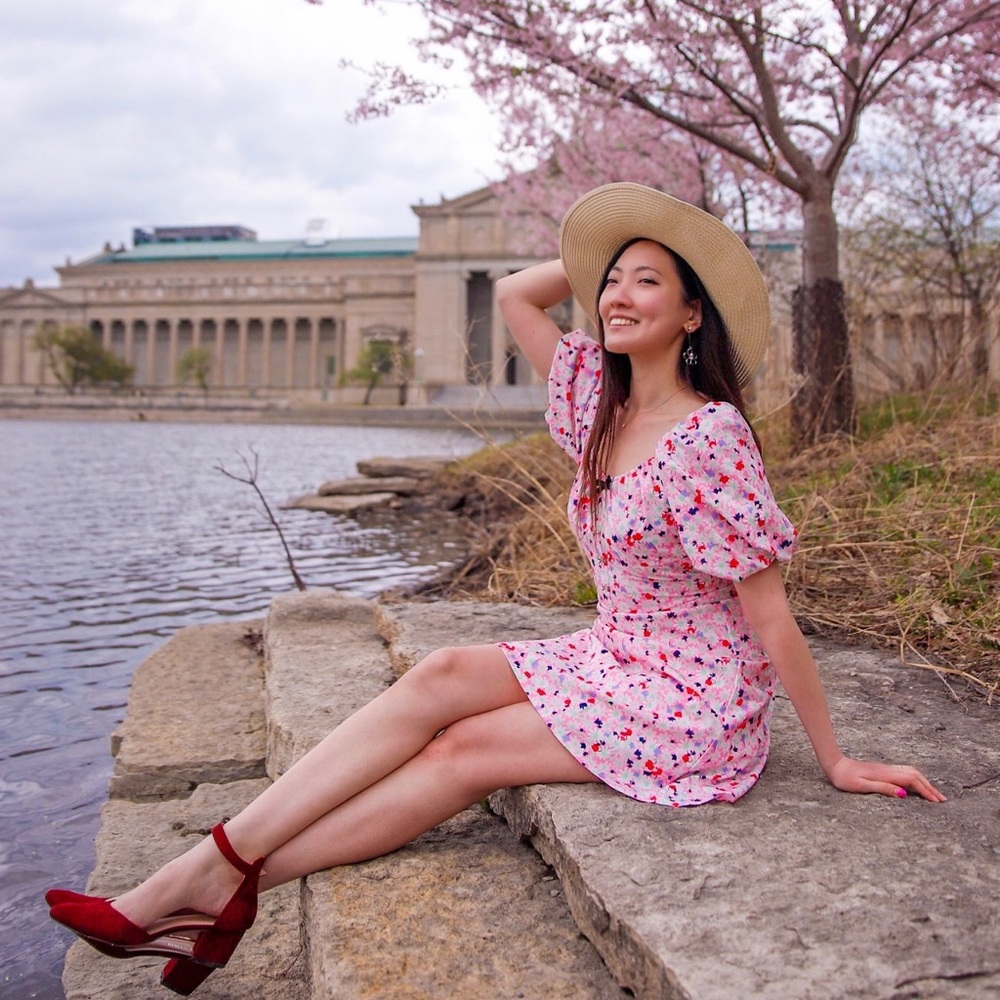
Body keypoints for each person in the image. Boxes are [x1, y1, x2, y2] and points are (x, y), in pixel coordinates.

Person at [47, 182, 945, 995]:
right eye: (610, 282)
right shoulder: (600, 398)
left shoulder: (710, 436)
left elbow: (769, 612)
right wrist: (621, 241)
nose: (616, 298)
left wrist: (832, 757)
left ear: (692, 316)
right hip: (618, 653)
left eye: (647, 284)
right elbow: (519, 291)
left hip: (693, 697)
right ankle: (208, 879)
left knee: (462, 752)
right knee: (439, 678)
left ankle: (206, 887)